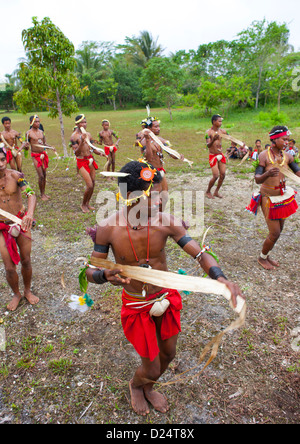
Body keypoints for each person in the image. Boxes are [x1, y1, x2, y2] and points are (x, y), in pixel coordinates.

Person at [85, 160, 243, 416]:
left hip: (166, 298)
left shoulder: (166, 221)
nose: (161, 202)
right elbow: (89, 272)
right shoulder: (108, 228)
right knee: (150, 366)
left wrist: (220, 277)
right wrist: (104, 275)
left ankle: (150, 387)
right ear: (131, 198)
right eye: (156, 196)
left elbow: (200, 254)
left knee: (168, 354)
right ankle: (137, 386)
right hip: (136, 304)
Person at [246, 126, 300, 270]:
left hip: (282, 198)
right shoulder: (264, 155)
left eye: (288, 139)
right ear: (274, 140)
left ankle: (267, 255)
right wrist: (267, 175)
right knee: (274, 232)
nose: (287, 142)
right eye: (284, 139)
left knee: (279, 230)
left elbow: (297, 172)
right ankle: (261, 258)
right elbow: (257, 179)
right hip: (268, 198)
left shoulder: (287, 156)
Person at [0, 146, 38, 311]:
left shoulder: (16, 176)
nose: (0, 164)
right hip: (2, 227)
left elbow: (30, 194)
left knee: (26, 260)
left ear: (6, 159)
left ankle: (27, 290)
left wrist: (29, 213)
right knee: (9, 267)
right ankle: (16, 294)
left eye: (2, 159)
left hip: (21, 222)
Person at [70, 114, 106, 213]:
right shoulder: (74, 136)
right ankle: (83, 204)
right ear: (77, 124)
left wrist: (100, 153)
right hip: (81, 161)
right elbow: (76, 152)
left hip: (90, 159)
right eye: (82, 122)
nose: (84, 124)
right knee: (89, 185)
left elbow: (93, 147)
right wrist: (81, 141)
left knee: (93, 183)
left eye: (85, 122)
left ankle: (87, 203)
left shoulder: (88, 134)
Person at [23, 115, 54, 201]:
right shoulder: (28, 133)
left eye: (38, 121)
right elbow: (27, 146)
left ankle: (44, 193)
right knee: (40, 175)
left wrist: (51, 147)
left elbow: (44, 144)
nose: (38, 123)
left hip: (43, 154)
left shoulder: (41, 132)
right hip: (35, 155)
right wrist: (26, 147)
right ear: (31, 123)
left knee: (44, 174)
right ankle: (42, 195)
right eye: (36, 122)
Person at [205, 114, 227, 199]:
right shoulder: (208, 133)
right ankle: (208, 191)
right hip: (213, 156)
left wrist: (240, 144)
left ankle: (216, 192)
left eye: (221, 121)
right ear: (214, 122)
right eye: (219, 121)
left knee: (223, 174)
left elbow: (231, 138)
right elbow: (208, 145)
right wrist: (213, 139)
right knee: (215, 176)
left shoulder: (223, 131)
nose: (221, 123)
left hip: (220, 155)